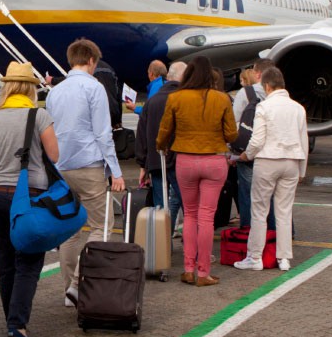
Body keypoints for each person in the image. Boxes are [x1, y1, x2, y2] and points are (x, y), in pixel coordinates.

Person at [0, 62, 60, 337]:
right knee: (29, 261)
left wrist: (4, 160)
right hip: (31, 194)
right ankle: (17, 323)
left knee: (7, 261)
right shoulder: (39, 115)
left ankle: (11, 319)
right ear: (30, 89)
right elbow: (54, 155)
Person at [46, 38, 125, 307]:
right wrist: (116, 171)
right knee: (103, 225)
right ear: (91, 60)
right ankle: (79, 284)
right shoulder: (94, 87)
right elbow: (103, 133)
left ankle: (69, 288)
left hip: (61, 167)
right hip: (88, 164)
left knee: (70, 230)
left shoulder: (55, 91)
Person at [156, 55, 237, 287]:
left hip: (185, 160)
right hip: (214, 160)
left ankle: (188, 269)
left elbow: (164, 131)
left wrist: (161, 145)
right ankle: (204, 273)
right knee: (206, 217)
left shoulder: (176, 97)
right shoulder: (221, 98)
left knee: (189, 214)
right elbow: (231, 134)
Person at [235, 67, 308, 272]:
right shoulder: (298, 108)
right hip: (292, 161)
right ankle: (284, 258)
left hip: (267, 160)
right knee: (284, 211)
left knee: (259, 210)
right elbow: (303, 140)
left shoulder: (264, 107)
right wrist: (302, 170)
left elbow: (257, 140)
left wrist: (247, 155)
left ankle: (255, 257)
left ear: (267, 86)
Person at [134, 61, 185, 232]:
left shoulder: (152, 101)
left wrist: (143, 164)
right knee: (189, 206)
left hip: (156, 161)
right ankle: (191, 242)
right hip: (179, 159)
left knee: (160, 207)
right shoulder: (184, 99)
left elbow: (141, 134)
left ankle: (161, 242)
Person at [232, 58, 277, 229]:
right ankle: (275, 231)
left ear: (257, 74)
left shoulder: (245, 93)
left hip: (250, 151)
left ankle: (248, 230)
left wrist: (234, 149)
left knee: (248, 193)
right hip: (273, 152)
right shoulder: (281, 95)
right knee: (274, 195)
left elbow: (235, 122)